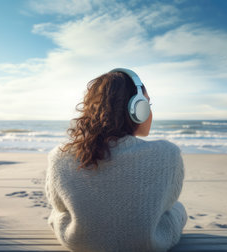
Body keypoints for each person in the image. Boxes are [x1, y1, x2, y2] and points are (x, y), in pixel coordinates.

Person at [45, 68, 187, 251]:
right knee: (178, 209)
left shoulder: (59, 156)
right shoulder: (168, 154)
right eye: (148, 105)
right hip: (148, 245)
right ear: (138, 109)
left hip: (81, 242)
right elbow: (167, 203)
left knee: (56, 214)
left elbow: (58, 205)